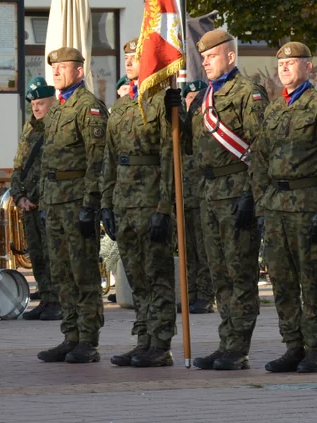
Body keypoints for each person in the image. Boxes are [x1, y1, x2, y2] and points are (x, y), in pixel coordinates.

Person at [254, 42, 317, 374]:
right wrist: (261, 204)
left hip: (309, 205)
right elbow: (260, 159)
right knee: (282, 280)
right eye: (281, 64)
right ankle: (293, 345)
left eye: (292, 63)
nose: (285, 68)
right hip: (277, 206)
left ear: (309, 67)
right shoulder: (274, 110)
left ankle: (316, 348)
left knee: (314, 279)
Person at [189, 29, 269, 371]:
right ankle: (226, 342)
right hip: (209, 196)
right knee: (219, 272)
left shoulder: (247, 94)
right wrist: (178, 113)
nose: (205, 62)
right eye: (203, 57)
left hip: (237, 192)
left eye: (211, 56)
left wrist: (252, 195)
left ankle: (239, 346)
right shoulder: (204, 98)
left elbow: (261, 150)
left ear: (230, 57)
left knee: (240, 273)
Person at [100, 39, 176, 369]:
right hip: (124, 202)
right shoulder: (120, 106)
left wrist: (165, 208)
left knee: (157, 275)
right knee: (135, 276)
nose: (130, 61)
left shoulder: (161, 102)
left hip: (151, 201)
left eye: (136, 57)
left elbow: (171, 157)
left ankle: (160, 344)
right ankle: (143, 339)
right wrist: (106, 202)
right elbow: (110, 158)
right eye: (127, 56)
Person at [37, 48, 109, 364]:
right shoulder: (54, 110)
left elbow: (98, 159)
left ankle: (88, 341)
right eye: (53, 67)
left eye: (63, 67)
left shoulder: (89, 107)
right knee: (61, 273)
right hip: (53, 201)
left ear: (79, 72)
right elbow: (46, 159)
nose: (56, 72)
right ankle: (70, 335)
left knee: (83, 273)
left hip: (77, 201)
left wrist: (90, 204)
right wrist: (43, 199)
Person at [15, 77, 60, 321]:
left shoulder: (57, 127)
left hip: (48, 202)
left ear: (52, 103)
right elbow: (19, 164)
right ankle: (45, 296)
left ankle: (57, 300)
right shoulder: (29, 128)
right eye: (33, 103)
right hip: (28, 202)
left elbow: (55, 168)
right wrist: (18, 195)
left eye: (40, 103)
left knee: (53, 253)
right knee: (37, 253)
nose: (36, 108)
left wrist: (38, 199)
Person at [182, 80, 214, 315]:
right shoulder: (181, 125)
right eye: (188, 97)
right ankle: (189, 293)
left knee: (203, 250)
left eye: (196, 97)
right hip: (183, 197)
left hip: (202, 194)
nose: (191, 101)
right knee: (186, 250)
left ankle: (204, 295)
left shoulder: (207, 124)